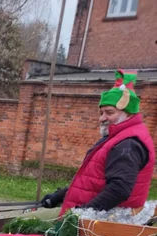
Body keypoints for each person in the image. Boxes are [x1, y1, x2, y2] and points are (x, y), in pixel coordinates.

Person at [41, 70, 155, 215]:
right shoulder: (116, 137)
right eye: (101, 113)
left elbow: (119, 189)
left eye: (109, 112)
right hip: (90, 217)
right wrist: (61, 195)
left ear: (128, 113)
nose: (102, 118)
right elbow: (93, 181)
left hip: (104, 223)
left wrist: (80, 214)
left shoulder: (128, 144)